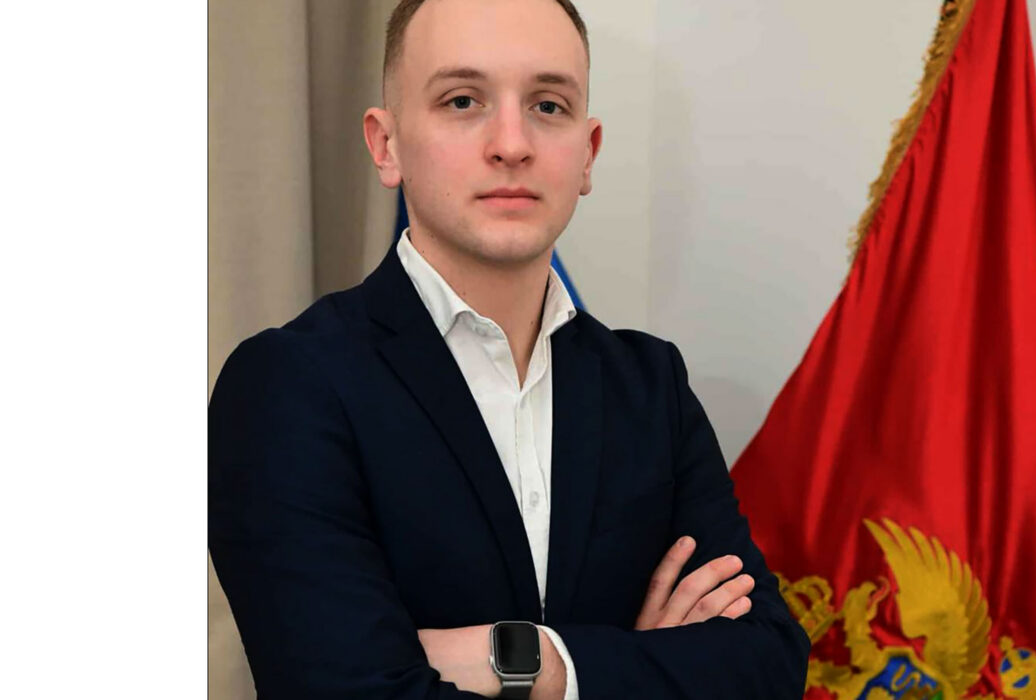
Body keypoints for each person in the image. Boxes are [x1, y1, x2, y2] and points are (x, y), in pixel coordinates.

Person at [208, 0, 810, 697]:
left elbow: (768, 665)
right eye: (463, 101)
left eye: (548, 105)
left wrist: (537, 663)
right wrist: (642, 664)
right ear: (386, 144)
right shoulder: (287, 385)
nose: (512, 143)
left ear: (588, 154)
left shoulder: (652, 388)